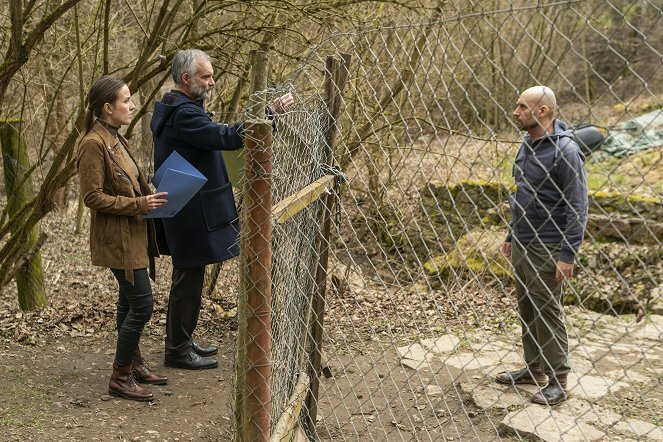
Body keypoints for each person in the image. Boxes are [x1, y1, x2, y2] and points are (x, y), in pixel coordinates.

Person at [150, 49, 294, 370]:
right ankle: (177, 350)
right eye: (206, 76)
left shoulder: (179, 108)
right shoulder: (184, 114)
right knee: (187, 279)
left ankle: (182, 342)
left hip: (185, 202)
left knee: (189, 277)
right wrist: (268, 113)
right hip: (189, 209)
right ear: (186, 79)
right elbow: (227, 137)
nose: (212, 82)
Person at [77, 75, 170, 401]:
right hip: (115, 239)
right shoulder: (93, 144)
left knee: (128, 301)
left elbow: (130, 182)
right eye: (126, 101)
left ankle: (134, 362)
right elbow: (92, 197)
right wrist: (139, 204)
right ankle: (120, 376)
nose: (132, 106)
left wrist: (151, 196)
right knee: (142, 304)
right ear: (107, 107)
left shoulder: (117, 138)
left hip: (135, 234)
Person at [495, 86, 588, 405]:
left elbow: (578, 205)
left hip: (548, 245)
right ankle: (533, 368)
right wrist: (511, 235)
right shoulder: (526, 145)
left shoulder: (566, 151)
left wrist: (568, 254)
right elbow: (523, 194)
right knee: (527, 308)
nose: (515, 111)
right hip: (522, 241)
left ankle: (558, 380)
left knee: (547, 311)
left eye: (522, 106)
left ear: (543, 111)